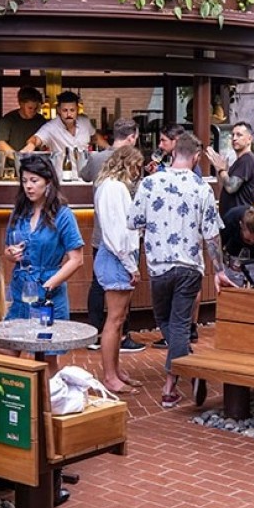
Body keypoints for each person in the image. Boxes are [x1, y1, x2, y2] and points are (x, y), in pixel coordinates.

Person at [128, 132, 233, 408]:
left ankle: (169, 385)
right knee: (174, 324)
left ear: (173, 153)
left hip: (158, 265)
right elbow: (211, 235)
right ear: (196, 157)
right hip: (189, 267)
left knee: (168, 322)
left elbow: (134, 223)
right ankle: (189, 364)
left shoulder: (149, 184)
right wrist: (219, 270)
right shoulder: (202, 188)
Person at [79, 118, 145, 353]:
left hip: (100, 234)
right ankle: (123, 336)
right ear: (131, 137)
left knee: (97, 285)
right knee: (120, 299)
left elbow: (83, 174)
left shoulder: (97, 159)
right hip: (119, 241)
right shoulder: (118, 183)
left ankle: (93, 332)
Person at [3, 155, 84, 324]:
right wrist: (11, 254)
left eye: (34, 180)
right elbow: (7, 251)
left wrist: (48, 285)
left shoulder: (63, 215)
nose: (28, 187)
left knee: (46, 344)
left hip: (49, 288)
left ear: (48, 182)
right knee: (9, 344)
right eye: (24, 181)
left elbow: (76, 260)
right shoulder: (18, 212)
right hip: (20, 288)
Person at [93, 146, 146, 393]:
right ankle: (110, 376)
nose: (138, 172)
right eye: (136, 166)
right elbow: (115, 234)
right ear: (126, 164)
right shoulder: (113, 188)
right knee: (114, 320)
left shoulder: (112, 186)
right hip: (117, 257)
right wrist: (131, 265)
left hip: (120, 256)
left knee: (120, 318)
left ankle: (116, 370)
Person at [205, 121, 254, 216]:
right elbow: (225, 186)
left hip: (240, 218)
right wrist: (220, 169)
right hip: (231, 217)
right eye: (233, 135)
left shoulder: (247, 160)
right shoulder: (240, 161)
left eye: (239, 135)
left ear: (249, 139)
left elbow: (230, 187)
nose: (234, 138)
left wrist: (221, 170)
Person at [20, 91, 95, 155]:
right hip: (61, 171)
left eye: (72, 110)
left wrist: (107, 148)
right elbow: (36, 139)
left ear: (77, 110)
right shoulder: (51, 127)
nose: (69, 114)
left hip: (85, 171)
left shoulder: (85, 121)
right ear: (58, 110)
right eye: (65, 110)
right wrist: (31, 145)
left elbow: (95, 137)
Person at [0, 87, 47, 159]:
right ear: (21, 104)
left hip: (36, 166)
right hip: (12, 166)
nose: (33, 111)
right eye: (30, 108)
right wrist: (18, 158)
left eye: (35, 109)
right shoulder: (8, 119)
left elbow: (46, 145)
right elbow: (1, 144)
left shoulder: (41, 120)